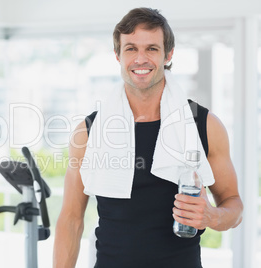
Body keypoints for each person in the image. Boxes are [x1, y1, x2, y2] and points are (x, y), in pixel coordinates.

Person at [53, 7, 243, 268]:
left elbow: (234, 206)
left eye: (151, 49)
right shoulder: (88, 132)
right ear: (117, 55)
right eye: (131, 48)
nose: (140, 59)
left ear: (168, 55)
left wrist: (211, 217)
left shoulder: (205, 126)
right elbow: (71, 219)